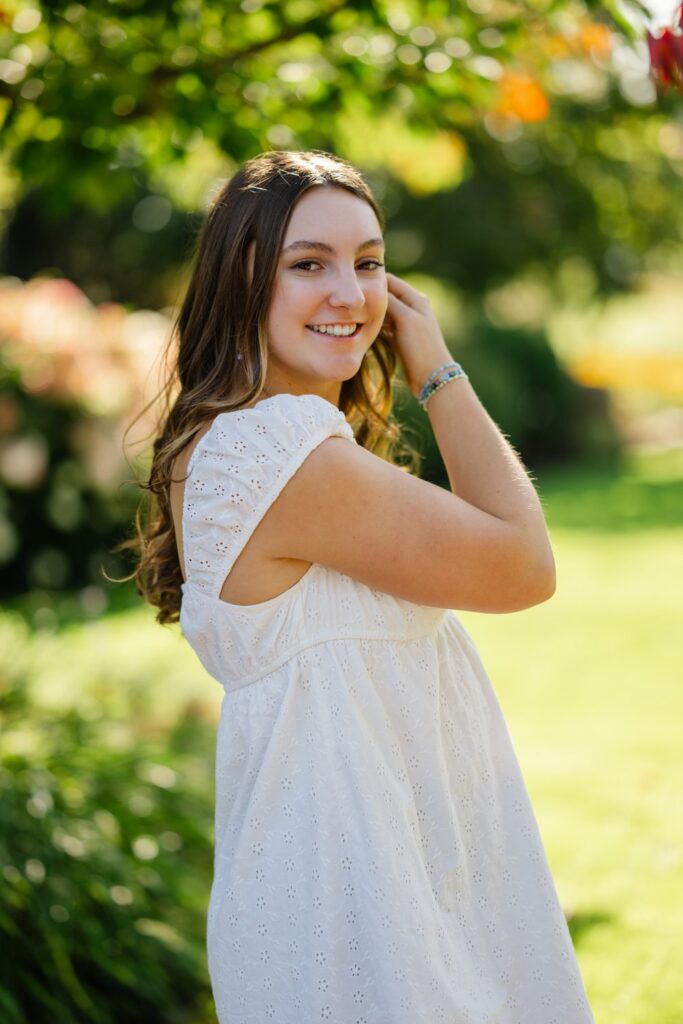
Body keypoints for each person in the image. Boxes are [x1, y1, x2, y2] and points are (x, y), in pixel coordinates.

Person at [129, 149, 595, 1023]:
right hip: (360, 907)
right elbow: (524, 568)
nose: (352, 293)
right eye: (309, 264)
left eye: (369, 262)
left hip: (374, 877)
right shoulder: (277, 449)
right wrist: (438, 372)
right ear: (243, 279)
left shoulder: (252, 439)